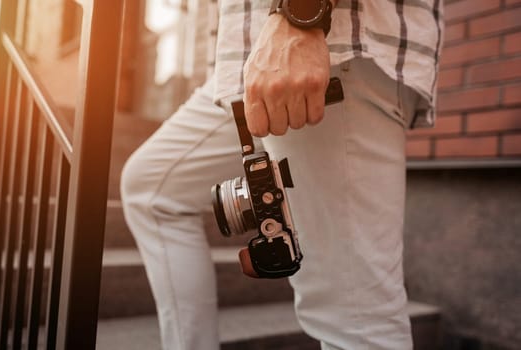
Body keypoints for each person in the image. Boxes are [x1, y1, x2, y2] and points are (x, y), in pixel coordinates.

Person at [121, 0, 444, 349]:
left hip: (329, 46)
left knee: (353, 319)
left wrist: (301, 18)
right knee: (152, 188)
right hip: (250, 60)